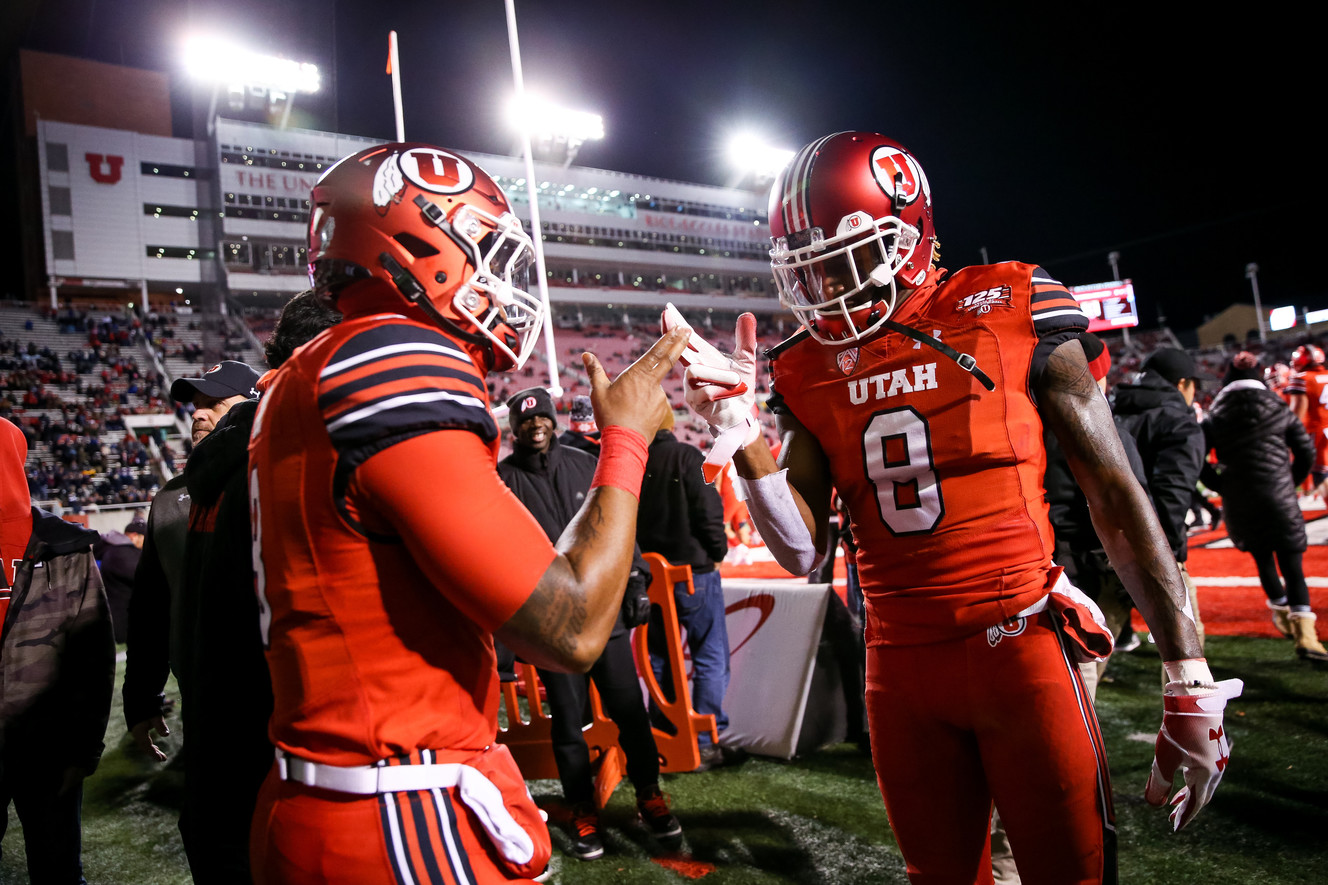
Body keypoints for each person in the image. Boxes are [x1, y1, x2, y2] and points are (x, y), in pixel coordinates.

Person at [672, 132, 1239, 884]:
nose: (825, 290)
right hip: (899, 668)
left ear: (908, 235)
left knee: (1072, 870)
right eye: (806, 271)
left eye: (840, 261)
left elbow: (1111, 488)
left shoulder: (1006, 301)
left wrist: (1187, 667)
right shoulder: (804, 366)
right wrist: (745, 439)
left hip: (1020, 648)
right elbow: (803, 552)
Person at [247, 141, 689, 885]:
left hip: (321, 792)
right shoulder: (393, 356)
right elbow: (572, 625)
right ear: (422, 248)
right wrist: (627, 440)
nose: (504, 282)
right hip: (397, 805)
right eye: (486, 251)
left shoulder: (303, 372)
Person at [497, 386, 679, 861]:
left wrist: (637, 579)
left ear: (554, 421)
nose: (535, 426)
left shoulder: (584, 463)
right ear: (514, 428)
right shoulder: (502, 481)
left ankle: (649, 795)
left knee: (630, 714)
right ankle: (582, 810)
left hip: (605, 616)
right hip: (550, 626)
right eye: (525, 420)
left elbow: (618, 527)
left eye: (542, 418)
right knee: (568, 726)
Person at [0, 417, 115, 884]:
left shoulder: (64, 547)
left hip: (46, 744)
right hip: (49, 741)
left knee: (57, 868)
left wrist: (83, 748)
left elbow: (93, 654)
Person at [1202, 352, 1327, 662]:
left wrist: (1224, 487)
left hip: (1241, 499)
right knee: (1293, 565)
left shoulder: (1215, 413)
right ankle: (1307, 637)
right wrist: (1288, 480)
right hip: (1278, 495)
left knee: (1263, 559)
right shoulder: (1278, 406)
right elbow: (1306, 451)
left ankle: (1281, 612)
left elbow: (1198, 460)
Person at [636, 408, 732, 770]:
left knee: (660, 658)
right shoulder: (687, 456)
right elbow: (708, 509)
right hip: (695, 573)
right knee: (709, 656)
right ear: (669, 424)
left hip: (653, 575)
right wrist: (718, 551)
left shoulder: (636, 460)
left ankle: (665, 731)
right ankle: (706, 741)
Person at [1112, 346, 1208, 649]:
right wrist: (1169, 554)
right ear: (1181, 384)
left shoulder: (1108, 410)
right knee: (1186, 650)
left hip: (1104, 545)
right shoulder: (1178, 421)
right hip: (1155, 546)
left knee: (1090, 651)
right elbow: (1171, 495)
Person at [1285, 343, 1328, 492]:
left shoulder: (1301, 379)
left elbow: (1297, 411)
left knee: (1320, 475)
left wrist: (1286, 431)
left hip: (1317, 432)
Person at [97, 516, 146, 644]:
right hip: (124, 624)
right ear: (134, 536)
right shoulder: (121, 553)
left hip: (119, 619)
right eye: (145, 538)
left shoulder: (114, 549)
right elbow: (145, 577)